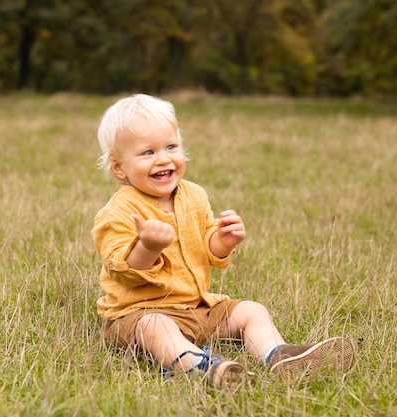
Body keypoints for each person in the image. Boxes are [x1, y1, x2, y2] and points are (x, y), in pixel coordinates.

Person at [93, 94, 354, 389]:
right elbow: (122, 270)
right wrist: (148, 247)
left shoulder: (194, 195)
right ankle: (200, 367)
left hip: (196, 308)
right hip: (139, 313)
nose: (163, 158)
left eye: (170, 147)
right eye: (148, 153)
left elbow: (207, 249)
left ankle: (278, 356)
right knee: (157, 327)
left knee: (251, 310)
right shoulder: (117, 212)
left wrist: (222, 240)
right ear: (118, 167)